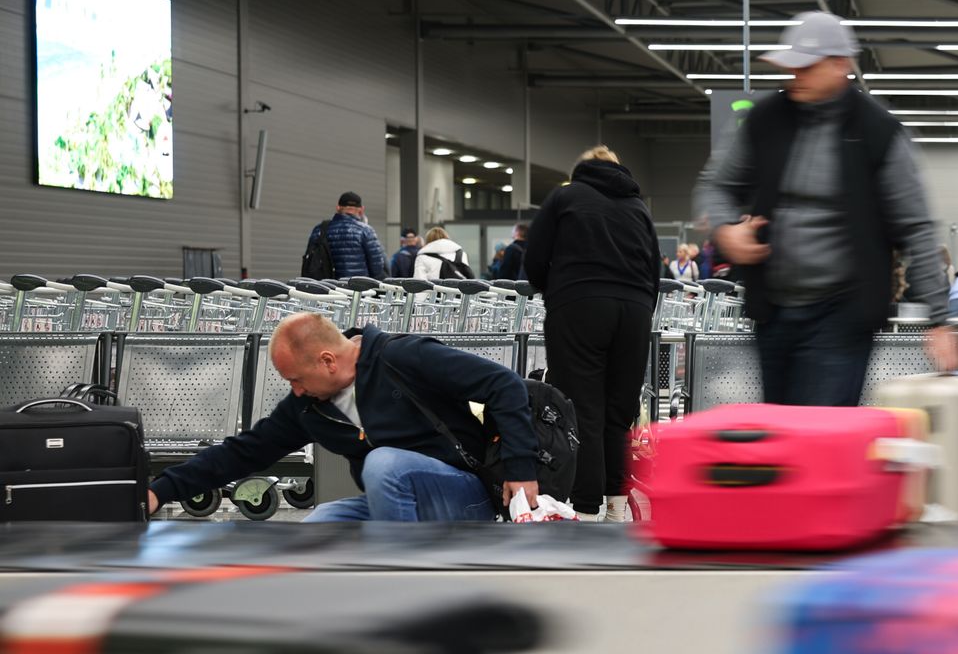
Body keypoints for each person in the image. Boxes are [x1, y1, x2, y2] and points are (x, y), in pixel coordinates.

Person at [694, 11, 957, 406]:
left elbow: (915, 226)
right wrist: (725, 228)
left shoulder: (878, 132)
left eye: (806, 66)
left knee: (817, 436)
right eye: (791, 66)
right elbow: (717, 186)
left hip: (842, 316)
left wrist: (938, 319)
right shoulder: (765, 120)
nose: (793, 75)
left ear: (840, 65)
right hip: (774, 313)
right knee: (780, 432)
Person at [146, 313, 538, 522]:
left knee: (383, 462)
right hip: (396, 506)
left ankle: (403, 583)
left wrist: (521, 471)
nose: (294, 390)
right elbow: (243, 452)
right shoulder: (307, 407)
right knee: (322, 526)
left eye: (296, 379)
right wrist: (159, 491)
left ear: (328, 360)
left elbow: (504, 385)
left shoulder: (401, 358)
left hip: (465, 496)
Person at [524, 144, 660, 522]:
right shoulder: (639, 207)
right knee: (620, 410)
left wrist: (554, 290)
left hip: (579, 305)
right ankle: (617, 504)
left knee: (581, 408)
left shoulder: (565, 196)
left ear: (582, 169)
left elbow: (534, 258)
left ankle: (585, 508)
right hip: (634, 311)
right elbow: (654, 269)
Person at [310, 191, 386, 279]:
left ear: (338, 208)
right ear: (361, 210)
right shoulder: (366, 231)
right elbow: (377, 269)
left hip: (327, 288)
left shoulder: (319, 229)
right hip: (356, 289)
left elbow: (310, 262)